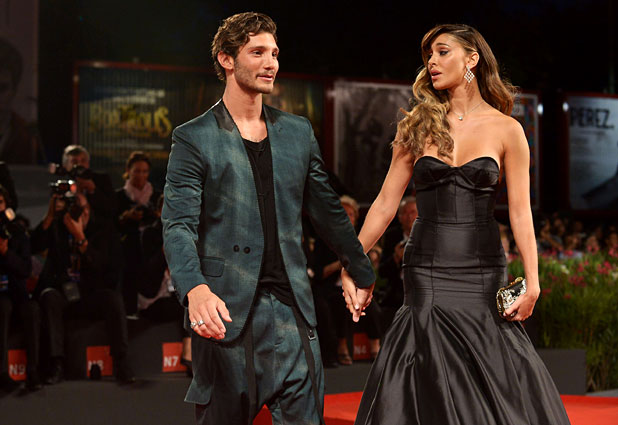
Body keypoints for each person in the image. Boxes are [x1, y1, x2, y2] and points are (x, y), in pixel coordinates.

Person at [342, 24, 571, 424]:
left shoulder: (508, 130)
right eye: (428, 55)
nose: (432, 62)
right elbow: (383, 205)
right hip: (426, 269)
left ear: (472, 59)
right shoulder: (416, 126)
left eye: (442, 51)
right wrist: (353, 262)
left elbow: (520, 212)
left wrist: (533, 281)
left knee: (491, 381)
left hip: (482, 271)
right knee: (427, 373)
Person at [162, 12, 374, 425]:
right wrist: (195, 289)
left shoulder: (297, 132)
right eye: (257, 52)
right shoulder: (193, 137)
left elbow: (328, 211)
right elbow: (177, 225)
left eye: (274, 53)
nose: (271, 63)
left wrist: (360, 270)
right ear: (227, 59)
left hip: (294, 313)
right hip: (226, 315)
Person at [31, 190, 134, 384]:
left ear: (90, 209)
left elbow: (103, 267)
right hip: (63, 293)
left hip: (89, 293)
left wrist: (80, 237)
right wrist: (50, 216)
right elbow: (34, 245)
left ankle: (121, 362)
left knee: (113, 298)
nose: (80, 213)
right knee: (49, 296)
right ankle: (56, 364)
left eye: (83, 208)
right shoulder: (58, 227)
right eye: (75, 208)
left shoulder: (102, 230)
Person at [312, 195, 382, 366]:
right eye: (343, 213)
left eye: (351, 214)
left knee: (372, 306)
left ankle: (376, 345)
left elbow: (372, 257)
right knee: (337, 303)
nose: (347, 217)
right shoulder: (323, 239)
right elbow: (317, 272)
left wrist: (374, 255)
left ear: (356, 218)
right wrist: (341, 265)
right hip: (329, 289)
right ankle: (340, 348)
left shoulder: (360, 238)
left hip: (358, 287)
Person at [0, 186, 41, 391]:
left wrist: (6, 253)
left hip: (17, 293)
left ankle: (33, 371)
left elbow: (25, 269)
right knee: (3, 307)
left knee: (32, 309)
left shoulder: (17, 233)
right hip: (1, 297)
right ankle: (2, 373)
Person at [116, 151, 161, 316]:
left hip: (151, 252)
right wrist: (125, 217)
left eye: (145, 171)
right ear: (128, 171)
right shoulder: (119, 197)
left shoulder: (157, 196)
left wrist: (156, 216)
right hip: (127, 251)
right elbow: (112, 225)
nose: (141, 175)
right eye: (137, 171)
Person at [60, 145, 117, 220]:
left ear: (88, 163)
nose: (79, 165)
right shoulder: (63, 185)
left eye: (83, 161)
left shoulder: (102, 179)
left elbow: (112, 209)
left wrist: (93, 190)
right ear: (65, 166)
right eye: (74, 162)